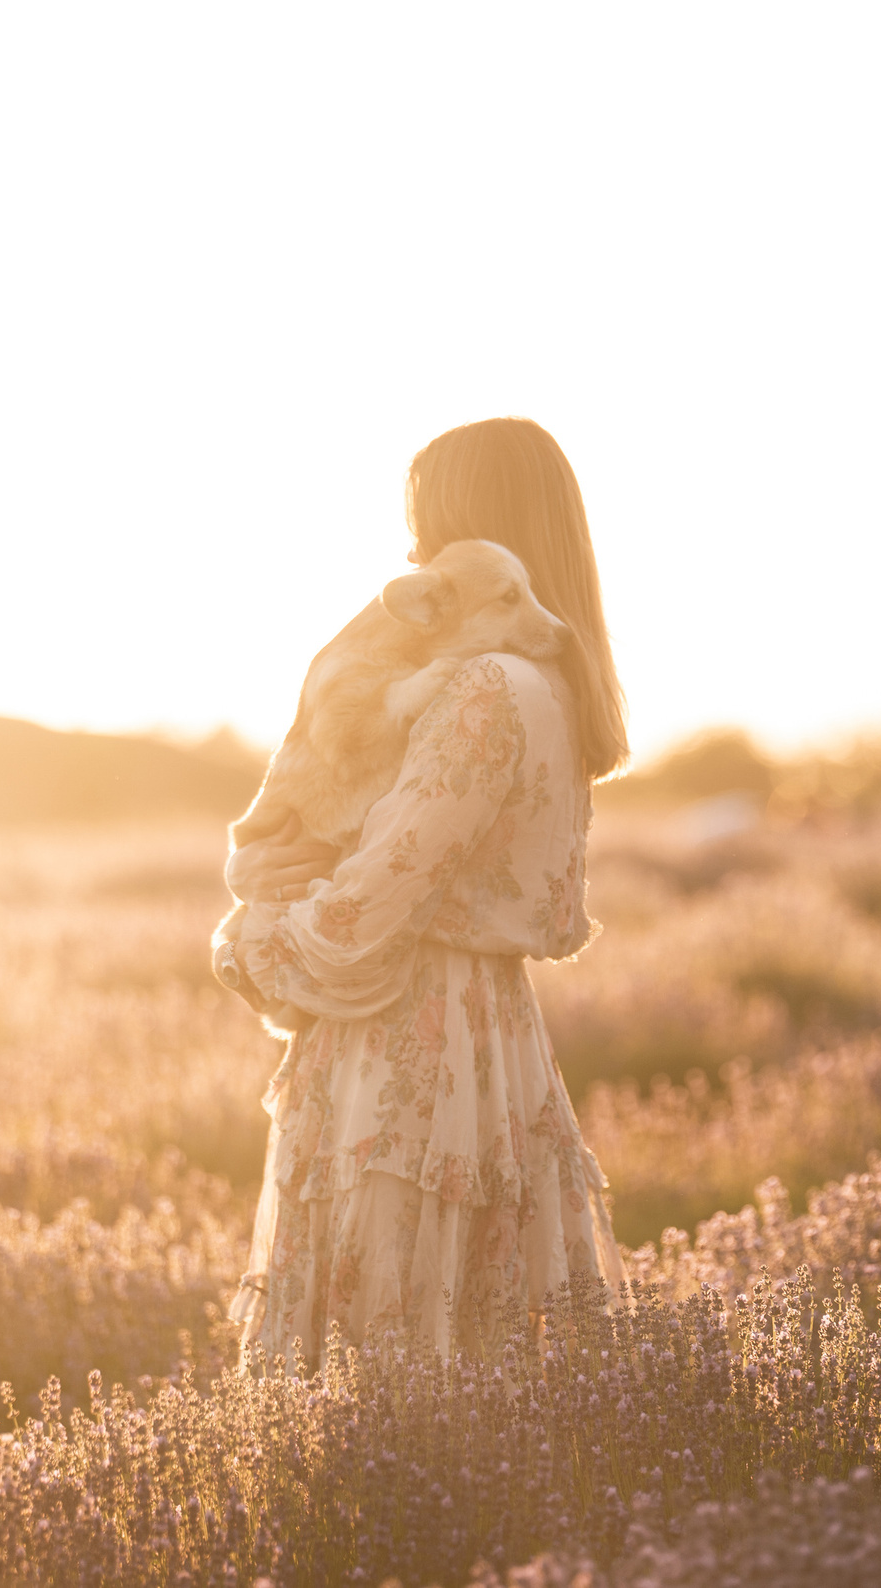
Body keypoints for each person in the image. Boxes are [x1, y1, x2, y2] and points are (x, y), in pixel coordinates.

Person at [213, 417, 629, 1366]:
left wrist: (245, 938)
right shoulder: (554, 686)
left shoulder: (485, 684)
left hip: (406, 1055)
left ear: (476, 523)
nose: (414, 551)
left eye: (428, 523)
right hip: (499, 1050)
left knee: (389, 1377)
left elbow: (363, 919)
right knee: (492, 1376)